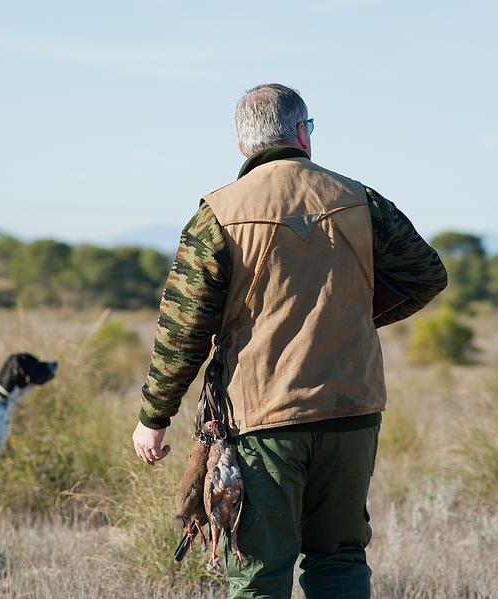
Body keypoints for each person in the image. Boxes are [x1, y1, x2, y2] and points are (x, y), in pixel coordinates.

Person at [132, 83, 447, 598]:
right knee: (340, 559)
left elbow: (183, 329)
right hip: (352, 411)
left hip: (262, 420)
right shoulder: (360, 200)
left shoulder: (218, 213)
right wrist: (349, 319)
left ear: (242, 146)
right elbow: (426, 276)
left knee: (258, 570)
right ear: (302, 134)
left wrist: (154, 418)